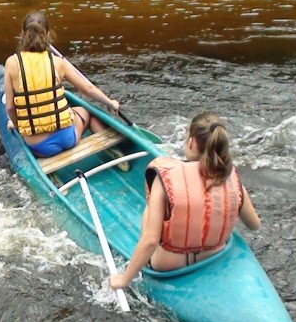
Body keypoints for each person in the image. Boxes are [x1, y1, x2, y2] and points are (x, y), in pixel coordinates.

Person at [110, 111, 261, 290]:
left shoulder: (166, 176)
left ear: (191, 142)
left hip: (168, 264)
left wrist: (124, 280)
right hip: (215, 254)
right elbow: (254, 225)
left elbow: (151, 241)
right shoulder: (230, 176)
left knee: (152, 206)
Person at [4, 11, 120, 158]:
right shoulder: (59, 62)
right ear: (47, 35)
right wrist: (110, 103)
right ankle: (109, 150)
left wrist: (19, 126)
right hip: (68, 137)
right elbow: (88, 89)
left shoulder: (12, 63)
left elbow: (10, 108)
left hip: (40, 146)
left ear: (22, 33)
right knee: (87, 113)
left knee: (28, 135)